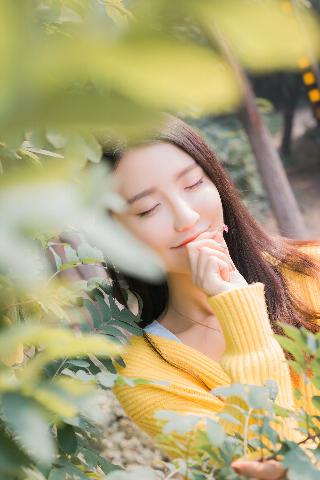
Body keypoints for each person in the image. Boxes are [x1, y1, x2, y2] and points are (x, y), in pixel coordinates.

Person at [101, 114, 320, 479]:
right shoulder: (147, 375)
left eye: (192, 185)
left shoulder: (311, 270)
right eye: (148, 209)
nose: (186, 217)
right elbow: (275, 463)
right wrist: (240, 314)